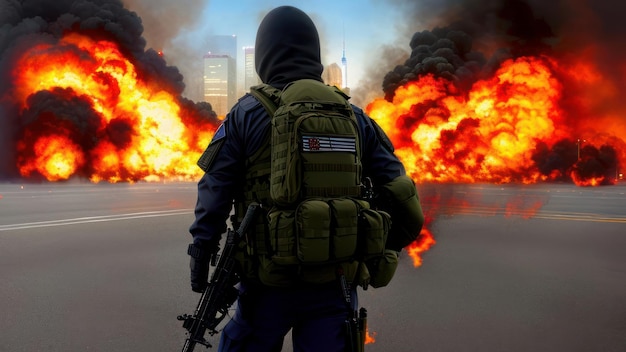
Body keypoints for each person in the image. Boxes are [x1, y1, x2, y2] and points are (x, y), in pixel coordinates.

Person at [187, 6, 425, 352]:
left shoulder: (245, 114)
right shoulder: (354, 116)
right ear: (313, 52)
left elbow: (214, 192)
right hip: (335, 284)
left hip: (266, 284)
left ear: (265, 53)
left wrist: (201, 251)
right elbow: (402, 195)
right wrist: (374, 248)